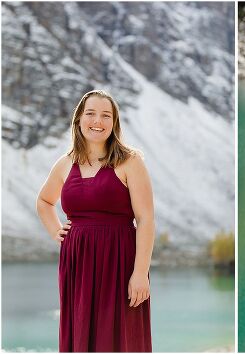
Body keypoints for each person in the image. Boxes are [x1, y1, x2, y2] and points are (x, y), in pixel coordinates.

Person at [36, 90, 154, 352]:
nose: (97, 121)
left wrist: (139, 273)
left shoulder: (130, 161)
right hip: (77, 262)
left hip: (120, 261)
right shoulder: (65, 164)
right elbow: (44, 202)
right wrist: (58, 232)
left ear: (114, 123)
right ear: (79, 119)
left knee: (119, 336)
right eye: (90, 113)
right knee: (80, 333)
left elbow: (146, 220)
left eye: (105, 115)